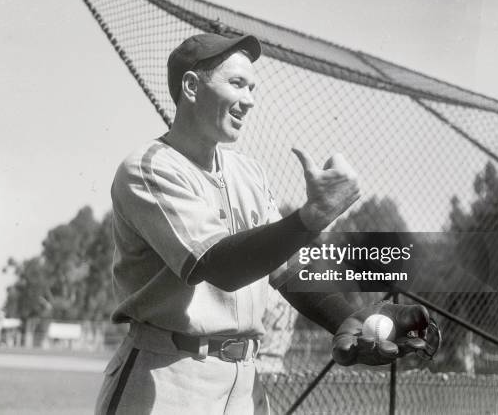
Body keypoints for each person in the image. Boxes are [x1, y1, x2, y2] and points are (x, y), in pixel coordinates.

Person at [95, 33, 435, 414]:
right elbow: (218, 265)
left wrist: (347, 318)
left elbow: (286, 268)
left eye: (252, 87)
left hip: (244, 384)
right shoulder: (150, 168)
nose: (249, 100)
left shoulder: (248, 172)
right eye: (237, 84)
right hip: (169, 378)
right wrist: (312, 217)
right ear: (191, 86)